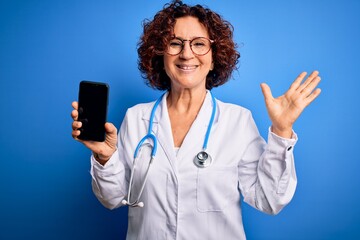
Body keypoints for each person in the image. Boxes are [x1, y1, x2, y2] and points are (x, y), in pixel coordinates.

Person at [71, 1, 321, 239]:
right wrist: (105, 157)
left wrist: (282, 129)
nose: (186, 53)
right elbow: (112, 197)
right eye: (175, 43)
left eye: (199, 44)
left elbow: (269, 201)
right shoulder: (137, 118)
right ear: (161, 55)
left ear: (214, 57)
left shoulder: (237, 121)